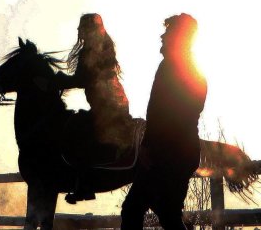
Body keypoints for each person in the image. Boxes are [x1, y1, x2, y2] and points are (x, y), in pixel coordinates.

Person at [120, 13, 205, 230]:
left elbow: (162, 115)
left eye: (168, 31)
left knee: (134, 209)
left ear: (178, 36)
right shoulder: (194, 73)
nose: (162, 36)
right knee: (167, 215)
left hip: (165, 156)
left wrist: (149, 147)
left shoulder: (171, 68)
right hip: (181, 154)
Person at [54, 13, 134, 202]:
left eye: (82, 28)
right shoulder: (104, 48)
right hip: (115, 106)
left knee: (79, 131)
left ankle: (84, 185)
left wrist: (58, 80)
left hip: (106, 110)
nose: (79, 32)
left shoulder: (91, 51)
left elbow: (82, 79)